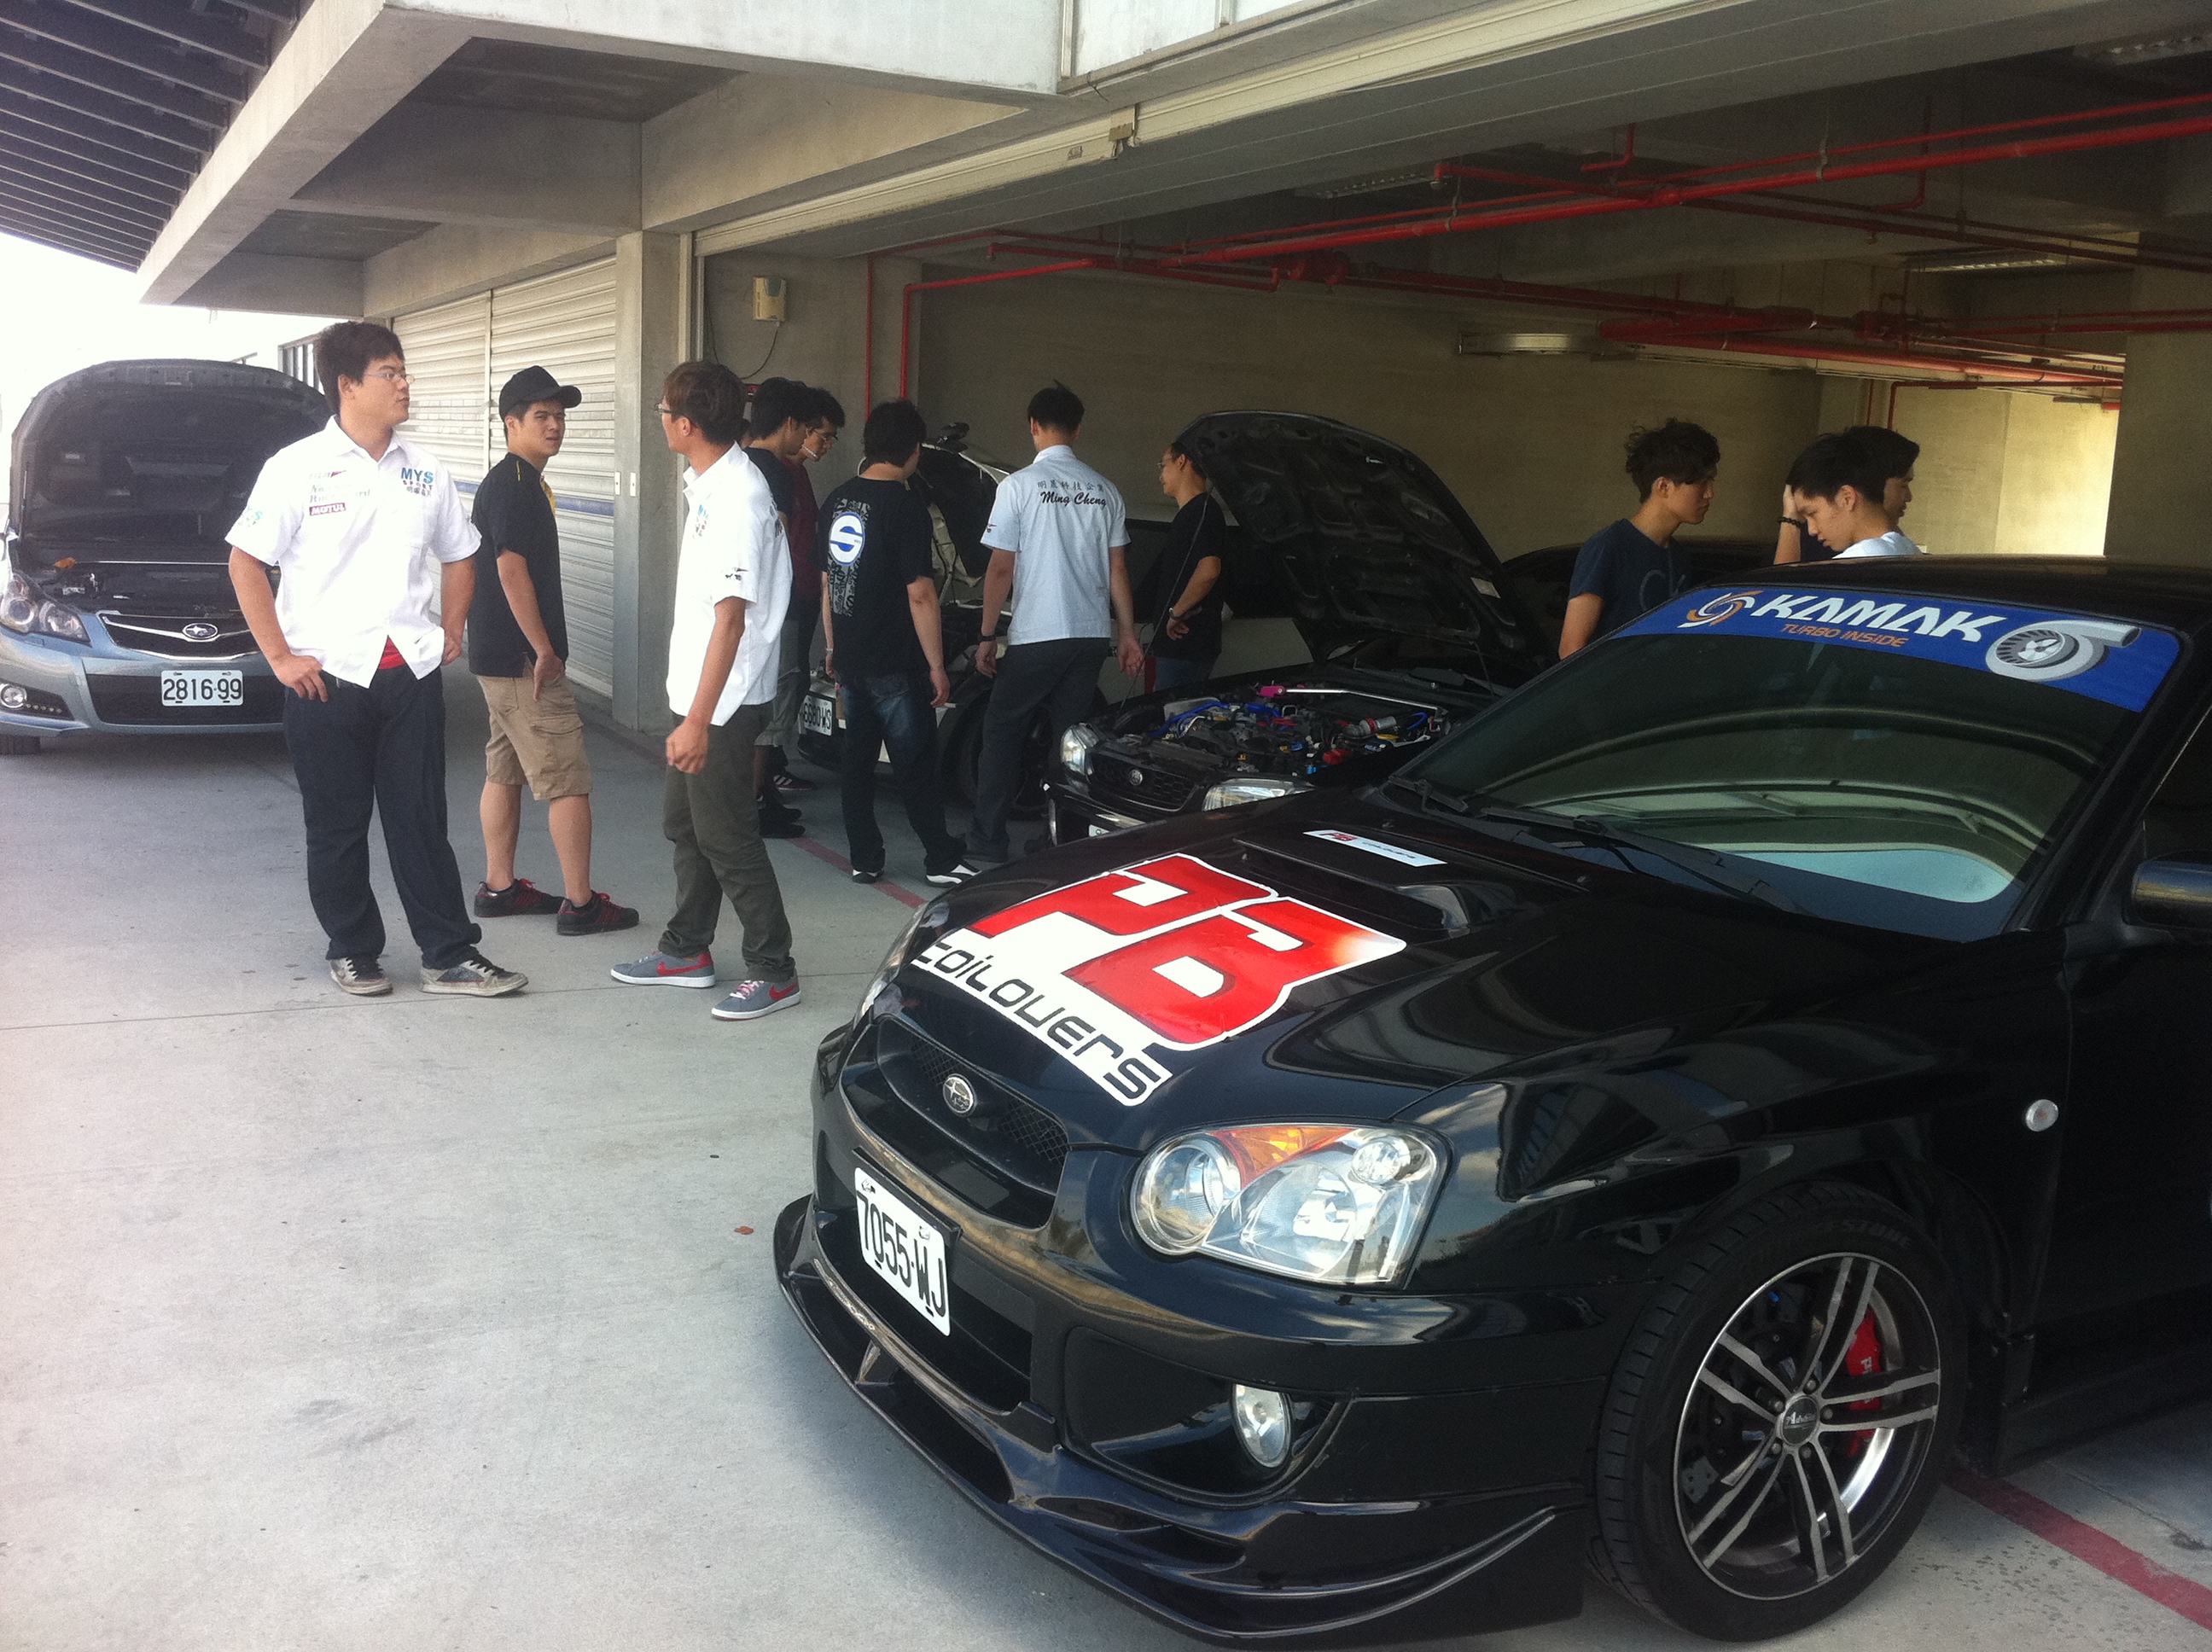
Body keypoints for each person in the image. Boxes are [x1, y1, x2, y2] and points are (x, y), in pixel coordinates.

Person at [225, 320, 525, 998]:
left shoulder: (424, 469)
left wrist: (451, 627)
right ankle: (353, 948)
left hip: (409, 673)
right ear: (348, 385)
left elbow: (461, 552)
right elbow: (246, 562)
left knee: (420, 820)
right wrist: (278, 656)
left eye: (403, 371)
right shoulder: (296, 468)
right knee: (336, 825)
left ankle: (448, 953)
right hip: (325, 680)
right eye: (391, 372)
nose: (404, 383)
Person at [610, 361, 800, 1022]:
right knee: (686, 824)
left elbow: (732, 617)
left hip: (719, 702)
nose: (661, 420)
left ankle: (774, 969)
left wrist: (697, 719)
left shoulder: (738, 498)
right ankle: (686, 950)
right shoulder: (712, 485)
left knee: (727, 836)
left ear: (686, 424)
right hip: (698, 694)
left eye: (664, 412)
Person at [466, 364, 637, 937]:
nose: (555, 425)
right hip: (522, 664)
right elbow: (510, 569)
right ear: (511, 423)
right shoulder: (516, 486)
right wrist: (543, 649)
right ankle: (582, 904)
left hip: (496, 658)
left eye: (560, 416)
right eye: (541, 416)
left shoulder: (514, 481)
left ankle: (500, 886)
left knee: (505, 768)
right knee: (567, 778)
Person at [967, 383, 1144, 864]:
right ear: (1079, 429)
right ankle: (1057, 840)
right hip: (1090, 636)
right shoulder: (1105, 490)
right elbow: (1118, 570)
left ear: (1033, 426)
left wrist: (987, 635)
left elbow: (1001, 568)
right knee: (1070, 741)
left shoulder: (1018, 487)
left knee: (1002, 733)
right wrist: (1127, 633)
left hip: (1037, 635)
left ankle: (986, 842)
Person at [818, 399, 976, 887]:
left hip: (849, 657)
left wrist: (831, 648)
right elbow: (922, 593)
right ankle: (940, 858)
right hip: (894, 660)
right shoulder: (907, 507)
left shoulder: (839, 498)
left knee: (857, 764)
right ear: (913, 450)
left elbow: (829, 582)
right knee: (915, 765)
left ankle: (865, 857)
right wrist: (937, 665)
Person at [1558, 420, 1720, 657]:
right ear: (1663, 487)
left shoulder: (1679, 556)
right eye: (1701, 482)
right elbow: (1572, 649)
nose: (1710, 493)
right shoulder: (1609, 546)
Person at [760, 384, 847, 806]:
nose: (824, 444)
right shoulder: (776, 473)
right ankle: (767, 774)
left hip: (807, 592)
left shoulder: (797, 473)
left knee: (792, 678)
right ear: (797, 427)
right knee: (783, 682)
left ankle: (773, 768)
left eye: (830, 437)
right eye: (820, 434)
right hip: (788, 597)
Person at [742, 377, 811, 837]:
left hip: (741, 608)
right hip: (768, 612)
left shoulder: (741, 463)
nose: (805, 436)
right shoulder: (777, 472)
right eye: (804, 426)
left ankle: (762, 799)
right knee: (763, 721)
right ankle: (751, 812)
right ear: (788, 423)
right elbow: (776, 543)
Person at [1147, 438, 1226, 691]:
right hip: (1179, 647)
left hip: (1185, 645)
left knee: (1171, 716)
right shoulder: (1191, 513)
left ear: (1182, 461)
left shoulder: (1203, 511)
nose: (1161, 474)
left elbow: (1209, 569)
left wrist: (1176, 612)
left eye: (1163, 465)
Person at [1777, 426, 1920, 563]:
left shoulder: (1857, 563)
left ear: (1847, 497)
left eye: (1813, 513)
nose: (1811, 530)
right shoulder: (1910, 551)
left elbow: (1781, 587)